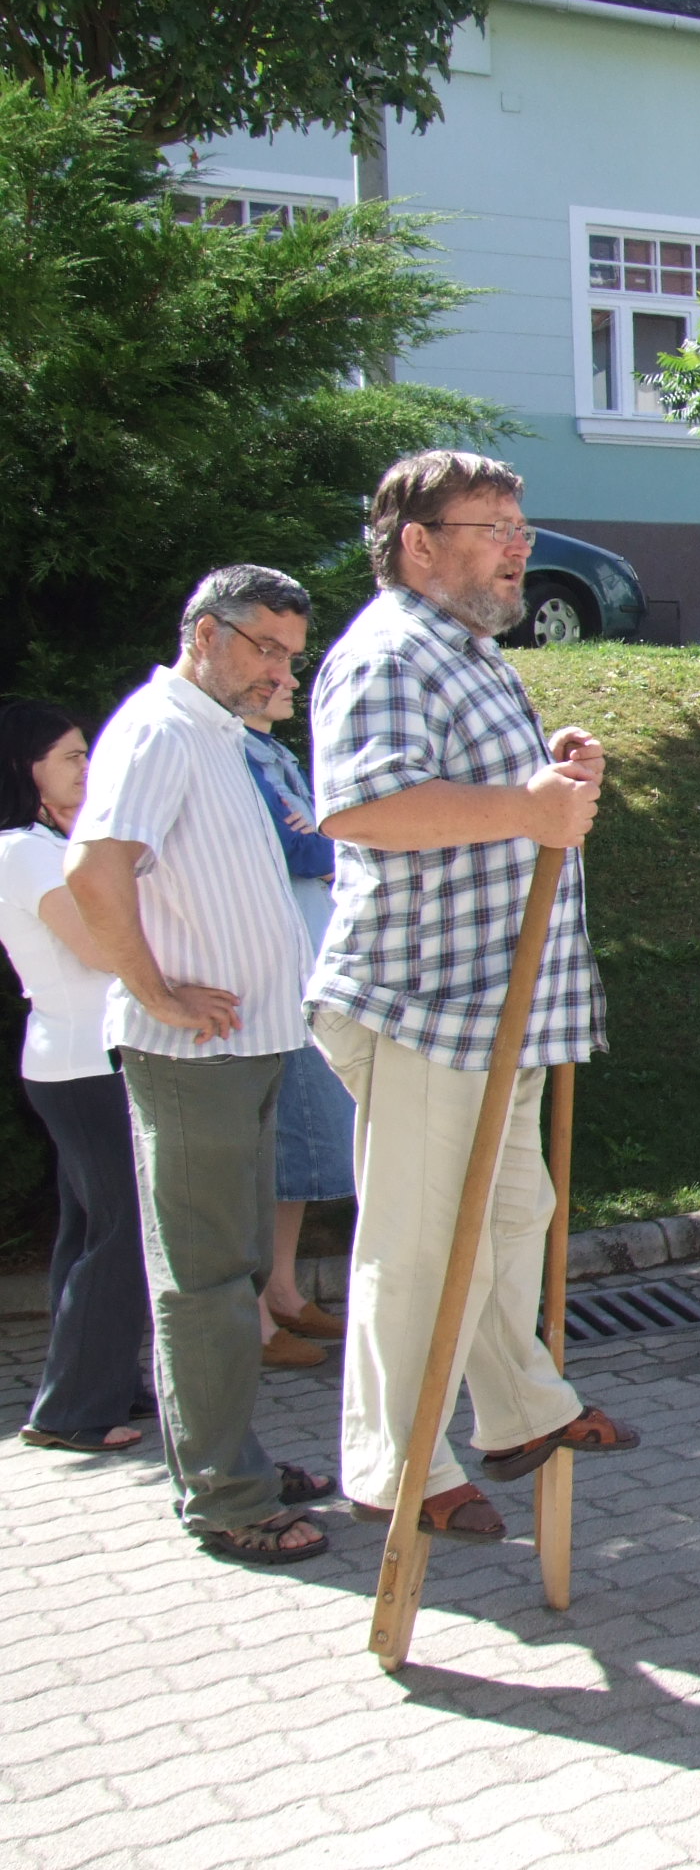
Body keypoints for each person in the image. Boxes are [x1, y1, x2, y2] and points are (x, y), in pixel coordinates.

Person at [309, 450, 635, 1548]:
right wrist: (526, 808)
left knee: (509, 1218)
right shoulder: (388, 653)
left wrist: (547, 771)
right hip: (423, 1003)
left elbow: (488, 795)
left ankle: (520, 1410)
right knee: (417, 1247)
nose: (518, 547)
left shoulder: (471, 652)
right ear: (418, 544)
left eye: (519, 527)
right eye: (493, 526)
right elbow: (362, 809)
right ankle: (395, 1463)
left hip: (500, 1007)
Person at [63, 567, 337, 1565]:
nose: (282, 673)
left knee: (234, 1273)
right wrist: (157, 994)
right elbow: (94, 872)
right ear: (207, 635)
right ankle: (225, 1497)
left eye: (290, 657)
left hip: (249, 1047)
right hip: (196, 1056)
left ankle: (234, 1460)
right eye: (266, 649)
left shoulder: (220, 734)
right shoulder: (159, 729)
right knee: (209, 1281)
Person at [2, 705, 150, 1457]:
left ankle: (102, 1383)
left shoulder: (40, 846)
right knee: (122, 1235)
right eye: (70, 757)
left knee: (93, 1231)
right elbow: (99, 948)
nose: (87, 769)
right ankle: (71, 1411)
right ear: (23, 768)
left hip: (80, 1061)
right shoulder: (24, 852)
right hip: (84, 1065)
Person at [240, 671, 353, 1367]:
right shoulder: (236, 757)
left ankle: (282, 1290)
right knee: (279, 1144)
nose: (290, 678)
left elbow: (321, 837)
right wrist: (336, 840)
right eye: (274, 664)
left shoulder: (275, 755)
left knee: (302, 1144)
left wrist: (327, 837)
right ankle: (255, 1315)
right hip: (274, 975)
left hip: (308, 963)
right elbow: (301, 848)